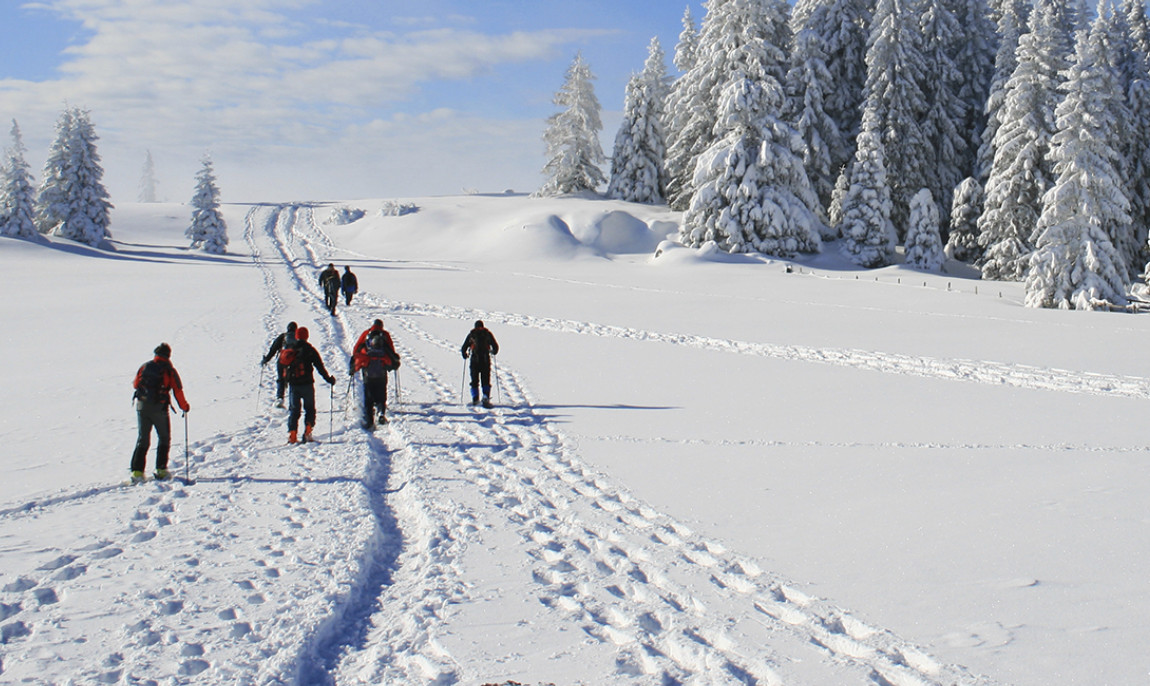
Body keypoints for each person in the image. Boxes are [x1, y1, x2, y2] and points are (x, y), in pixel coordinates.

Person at [130, 343, 191, 482]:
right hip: (159, 408)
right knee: (164, 437)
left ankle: (137, 472)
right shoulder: (169, 370)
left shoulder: (145, 366)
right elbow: (177, 390)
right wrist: (184, 406)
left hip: (142, 406)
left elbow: (135, 385)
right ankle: (161, 470)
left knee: (143, 438)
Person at [281, 326, 335, 443]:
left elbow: (283, 366)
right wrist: (329, 379)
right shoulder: (310, 350)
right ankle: (308, 431)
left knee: (294, 410)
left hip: (294, 385)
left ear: (296, 336)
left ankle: (292, 435)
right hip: (307, 385)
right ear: (307, 336)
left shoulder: (290, 350)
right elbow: (320, 367)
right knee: (309, 409)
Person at [350, 319, 400, 428]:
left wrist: (354, 364)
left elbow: (357, 349)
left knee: (368, 394)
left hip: (368, 369)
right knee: (382, 391)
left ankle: (369, 420)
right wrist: (393, 363)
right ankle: (381, 410)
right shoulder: (385, 335)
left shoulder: (366, 334)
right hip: (381, 369)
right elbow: (391, 350)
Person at [460, 320, 499, 408]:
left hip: (474, 360)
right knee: (485, 379)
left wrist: (465, 355)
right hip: (485, 360)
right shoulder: (487, 334)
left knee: (474, 380)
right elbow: (496, 347)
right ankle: (486, 397)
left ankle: (475, 398)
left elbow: (464, 348)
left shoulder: (471, 335)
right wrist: (493, 352)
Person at [260, 321, 297, 408]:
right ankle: (293, 401)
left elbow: (273, 349)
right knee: (294, 380)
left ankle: (280, 397)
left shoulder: (283, 336)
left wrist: (266, 359)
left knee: (281, 379)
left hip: (282, 361)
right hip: (294, 362)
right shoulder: (297, 337)